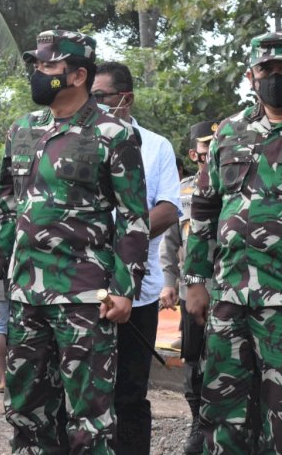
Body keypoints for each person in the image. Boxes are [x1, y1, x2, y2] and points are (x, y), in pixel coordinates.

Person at [0, 30, 150, 454]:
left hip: (84, 296)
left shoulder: (114, 133)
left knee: (89, 417)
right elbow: (5, 205)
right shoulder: (22, 129)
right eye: (37, 65)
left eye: (48, 66)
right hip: (25, 294)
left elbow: (133, 216)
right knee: (25, 409)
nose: (38, 73)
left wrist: (126, 289)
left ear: (77, 75)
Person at [184, 31, 282, 453]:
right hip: (229, 293)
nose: (275, 76)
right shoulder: (231, 132)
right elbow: (204, 209)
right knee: (223, 404)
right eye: (267, 69)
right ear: (251, 75)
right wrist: (195, 280)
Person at [93, 61, 181, 455]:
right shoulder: (77, 139)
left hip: (135, 288)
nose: (93, 103)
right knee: (83, 388)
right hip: (80, 285)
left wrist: (121, 241)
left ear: (124, 98)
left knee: (129, 391)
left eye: (101, 97)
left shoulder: (156, 145)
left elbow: (167, 209)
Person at [159, 120, 216, 453]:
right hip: (190, 289)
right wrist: (168, 283)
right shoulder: (182, 190)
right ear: (194, 154)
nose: (209, 161)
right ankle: (197, 423)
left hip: (230, 289)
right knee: (193, 362)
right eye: (204, 155)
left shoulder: (237, 183)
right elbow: (171, 241)